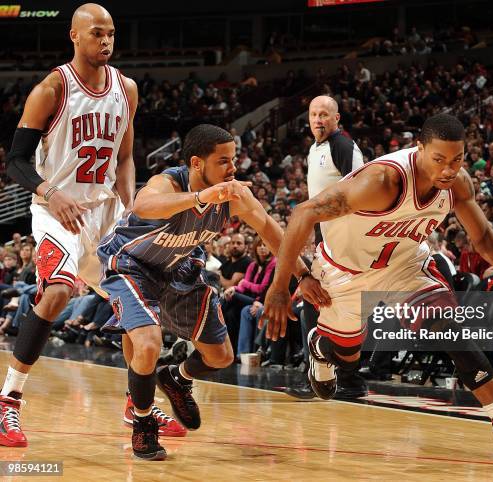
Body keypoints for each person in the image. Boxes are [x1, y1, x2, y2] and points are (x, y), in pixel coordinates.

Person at [263, 113, 493, 473]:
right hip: (344, 273)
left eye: (456, 159)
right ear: (420, 149)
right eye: (439, 159)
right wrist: (279, 286)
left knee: (448, 328)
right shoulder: (382, 181)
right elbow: (303, 213)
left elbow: (483, 237)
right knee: (348, 359)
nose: (448, 169)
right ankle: (321, 345)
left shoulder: (457, 184)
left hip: (404, 264)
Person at [98, 124, 328, 460]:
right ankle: (143, 423)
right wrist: (200, 198)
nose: (233, 168)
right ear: (196, 163)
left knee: (221, 357)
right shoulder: (169, 182)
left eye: (234, 159)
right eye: (223, 161)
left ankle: (177, 377)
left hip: (180, 268)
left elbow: (269, 230)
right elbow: (143, 206)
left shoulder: (235, 195)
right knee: (148, 343)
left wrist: (302, 274)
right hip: (132, 265)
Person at [0, 3, 163, 448]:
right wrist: (51, 192)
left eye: (111, 33)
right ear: (74, 35)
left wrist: (131, 204)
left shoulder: (126, 89)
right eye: (97, 33)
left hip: (106, 212)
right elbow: (15, 161)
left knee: (135, 312)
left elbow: (126, 157)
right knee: (55, 293)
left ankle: (139, 406)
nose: (106, 41)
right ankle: (8, 401)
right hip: (57, 210)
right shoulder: (51, 89)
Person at [285, 95, 367, 400]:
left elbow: (363, 190)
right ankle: (342, 377)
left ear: (337, 119)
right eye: (313, 114)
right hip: (328, 239)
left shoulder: (343, 146)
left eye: (324, 115)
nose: (318, 120)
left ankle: (329, 375)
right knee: (323, 302)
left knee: (322, 302)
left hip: (348, 242)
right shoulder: (316, 148)